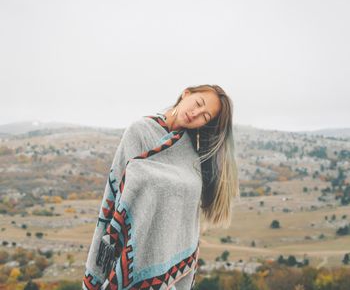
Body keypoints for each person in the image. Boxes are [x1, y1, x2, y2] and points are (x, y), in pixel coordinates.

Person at [82, 84, 240, 290]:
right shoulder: (139, 131)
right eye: (198, 103)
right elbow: (116, 193)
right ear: (187, 94)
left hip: (166, 271)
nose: (196, 113)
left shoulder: (191, 153)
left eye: (205, 116)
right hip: (129, 252)